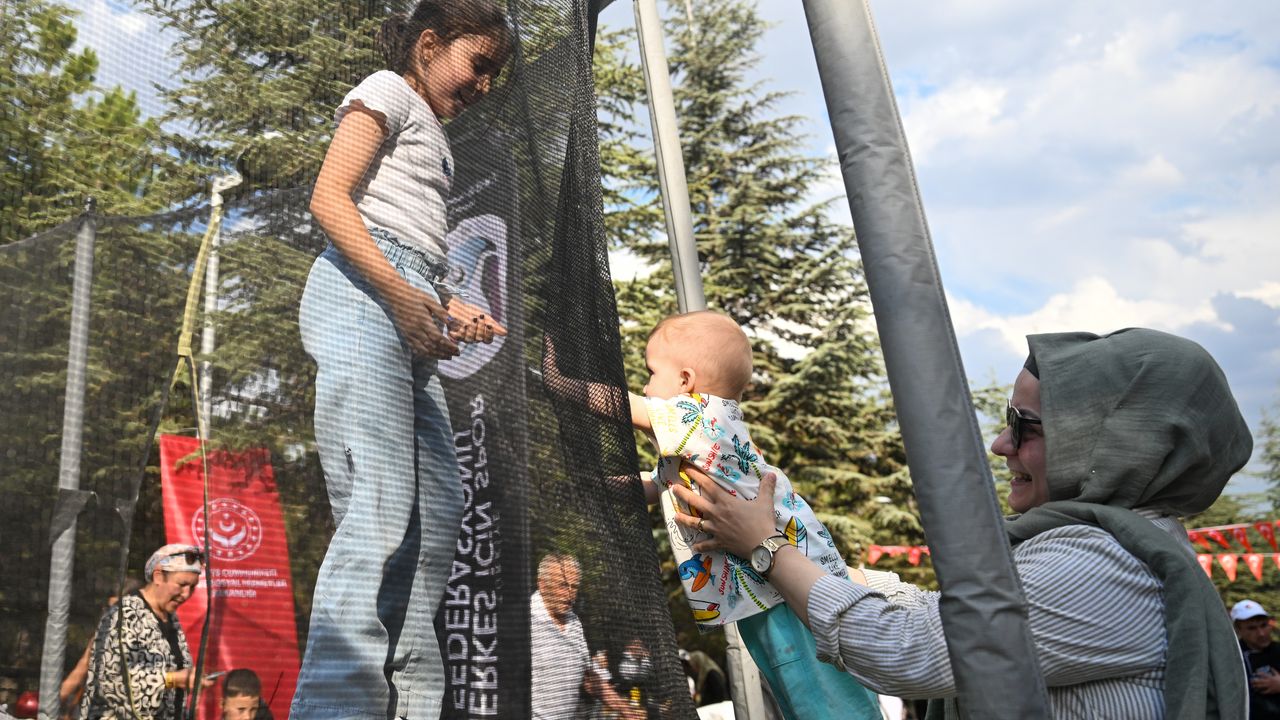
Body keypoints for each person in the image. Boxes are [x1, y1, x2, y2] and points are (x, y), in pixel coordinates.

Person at [674, 328, 1252, 718]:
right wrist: (817, 557)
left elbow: (905, 648)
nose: (1001, 444)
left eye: (1025, 425)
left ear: (1111, 442)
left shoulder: (1103, 564)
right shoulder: (1116, 547)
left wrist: (768, 548)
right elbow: (945, 614)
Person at [291, 1, 511, 718]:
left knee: (439, 508)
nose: (483, 84)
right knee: (380, 499)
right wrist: (399, 294)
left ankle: (410, 702)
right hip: (362, 293)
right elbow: (330, 199)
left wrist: (446, 303)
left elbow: (411, 242)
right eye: (478, 63)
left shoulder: (436, 136)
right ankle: (335, 704)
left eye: (493, 74)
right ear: (429, 44)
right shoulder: (386, 90)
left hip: (406, 294)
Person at [544, 311, 880, 719]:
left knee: (823, 698)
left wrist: (561, 383)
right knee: (802, 695)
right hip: (770, 592)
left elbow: (629, 406)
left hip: (781, 593)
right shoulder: (703, 442)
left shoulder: (700, 415)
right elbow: (659, 484)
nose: (646, 386)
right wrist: (596, 484)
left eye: (651, 373)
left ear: (685, 380)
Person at [79, 544, 212, 720]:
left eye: (192, 587)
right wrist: (173, 679)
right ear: (158, 576)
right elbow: (113, 683)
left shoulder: (171, 620)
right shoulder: (125, 614)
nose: (186, 594)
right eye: (182, 585)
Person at [529, 554, 639, 720]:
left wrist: (628, 712)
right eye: (563, 585)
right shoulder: (524, 620)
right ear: (543, 585)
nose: (569, 594)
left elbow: (589, 679)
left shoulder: (574, 622)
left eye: (574, 587)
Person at [59, 578, 144, 720]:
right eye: (109, 609)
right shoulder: (102, 635)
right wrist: (49, 704)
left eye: (118, 610)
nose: (112, 615)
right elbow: (82, 669)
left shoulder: (146, 638)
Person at [1231, 599, 1280, 718]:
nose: (1261, 633)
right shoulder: (1234, 658)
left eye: (1264, 625)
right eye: (1252, 628)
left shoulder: (1277, 650)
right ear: (1238, 630)